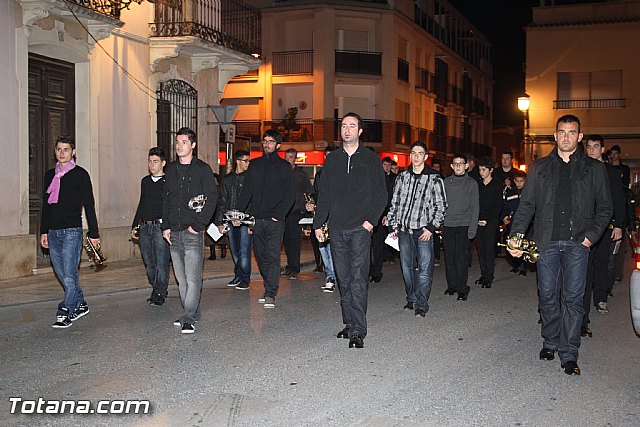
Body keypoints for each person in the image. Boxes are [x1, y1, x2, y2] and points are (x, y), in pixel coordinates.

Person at [507, 115, 612, 376]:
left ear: (580, 136)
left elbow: (606, 208)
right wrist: (515, 236)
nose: (566, 137)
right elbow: (527, 205)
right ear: (555, 136)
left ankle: (569, 353)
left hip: (578, 242)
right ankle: (550, 341)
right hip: (547, 242)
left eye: (571, 132)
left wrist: (591, 236)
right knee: (549, 297)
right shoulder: (539, 167)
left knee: (574, 299)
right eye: (562, 132)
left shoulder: (594, 169)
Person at [314, 112, 387, 349]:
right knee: (343, 279)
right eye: (344, 126)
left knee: (357, 278)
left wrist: (370, 221)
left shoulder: (370, 159)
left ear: (360, 131)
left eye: (352, 126)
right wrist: (318, 223)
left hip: (360, 228)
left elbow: (381, 194)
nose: (347, 130)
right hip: (336, 228)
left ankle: (358, 330)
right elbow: (324, 195)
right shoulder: (332, 160)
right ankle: (349, 322)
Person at [162, 127, 217, 334]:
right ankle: (191, 311)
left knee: (193, 277)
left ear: (193, 145)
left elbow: (212, 198)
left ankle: (188, 316)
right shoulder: (171, 169)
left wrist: (198, 225)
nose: (179, 145)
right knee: (181, 278)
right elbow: (166, 199)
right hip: (173, 232)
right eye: (177, 142)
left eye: (184, 142)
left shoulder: (202, 169)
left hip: (192, 231)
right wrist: (165, 226)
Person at [41, 135, 99, 329]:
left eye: (66, 149)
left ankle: (67, 309)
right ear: (55, 151)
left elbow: (89, 204)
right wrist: (43, 232)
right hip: (53, 232)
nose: (62, 153)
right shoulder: (50, 175)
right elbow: (45, 206)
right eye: (59, 149)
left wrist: (94, 232)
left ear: (73, 152)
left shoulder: (80, 174)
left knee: (69, 274)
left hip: (72, 231)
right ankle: (80, 303)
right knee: (61, 272)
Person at [387, 141, 447, 317]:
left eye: (420, 153)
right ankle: (411, 298)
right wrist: (393, 225)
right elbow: (395, 203)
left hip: (423, 232)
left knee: (425, 269)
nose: (416, 156)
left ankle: (421, 303)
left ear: (425, 157)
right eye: (413, 153)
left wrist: (431, 227)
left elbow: (441, 206)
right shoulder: (402, 177)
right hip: (404, 231)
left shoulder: (434, 178)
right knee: (406, 269)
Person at [237, 129, 294, 309]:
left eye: (270, 141)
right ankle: (268, 283)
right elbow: (246, 191)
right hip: (257, 219)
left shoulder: (285, 167)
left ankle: (270, 291)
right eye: (264, 141)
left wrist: (279, 215)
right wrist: (238, 213)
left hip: (275, 220)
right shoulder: (255, 165)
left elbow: (290, 195)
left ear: (277, 145)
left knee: (273, 255)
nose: (266, 144)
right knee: (260, 256)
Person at [581, 135, 625, 337]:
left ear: (602, 149)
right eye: (588, 147)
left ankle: (600, 298)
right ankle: (582, 311)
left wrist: (619, 224)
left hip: (606, 226)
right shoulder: (581, 169)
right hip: (585, 227)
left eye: (595, 147)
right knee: (584, 266)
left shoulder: (610, 172)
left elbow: (618, 199)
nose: (591, 150)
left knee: (602, 262)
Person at [132, 147, 170, 306]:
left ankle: (159, 292)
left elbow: (170, 205)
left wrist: (168, 226)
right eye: (149, 161)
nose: (151, 165)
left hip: (160, 226)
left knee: (162, 262)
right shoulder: (145, 181)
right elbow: (142, 202)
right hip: (145, 227)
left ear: (163, 163)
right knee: (149, 263)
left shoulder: (168, 182)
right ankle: (158, 287)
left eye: (155, 161)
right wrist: (135, 225)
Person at [443, 154, 479, 301]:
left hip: (464, 224)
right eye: (455, 164)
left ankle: (462, 288)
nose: (458, 166)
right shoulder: (446, 182)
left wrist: (472, 228)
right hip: (448, 224)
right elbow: (441, 203)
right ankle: (451, 285)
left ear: (466, 166)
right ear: (451, 166)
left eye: (461, 163)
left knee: (461, 258)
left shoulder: (471, 183)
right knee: (449, 256)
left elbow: (475, 207)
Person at [216, 149, 252, 291]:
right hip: (230, 220)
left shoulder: (250, 178)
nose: (248, 163)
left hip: (245, 221)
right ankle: (238, 275)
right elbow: (222, 201)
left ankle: (245, 278)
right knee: (235, 250)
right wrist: (220, 221)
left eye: (249, 161)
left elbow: (252, 201)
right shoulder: (227, 179)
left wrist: (249, 221)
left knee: (244, 250)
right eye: (246, 161)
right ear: (238, 161)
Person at [305, 144, 339, 292]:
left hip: (338, 216)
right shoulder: (320, 175)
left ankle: (337, 275)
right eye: (327, 155)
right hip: (323, 216)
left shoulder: (343, 174)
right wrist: (310, 205)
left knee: (335, 249)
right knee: (323, 247)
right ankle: (330, 276)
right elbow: (315, 195)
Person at [281, 148, 313, 280]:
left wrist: (307, 206)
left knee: (294, 240)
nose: (289, 159)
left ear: (295, 158)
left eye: (291, 157)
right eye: (287, 157)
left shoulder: (301, 174)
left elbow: (309, 192)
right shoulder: (281, 172)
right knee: (286, 240)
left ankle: (294, 267)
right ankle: (290, 266)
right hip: (283, 211)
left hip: (296, 210)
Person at [475, 157, 503, 289]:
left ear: (491, 170)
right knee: (480, 249)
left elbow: (498, 205)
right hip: (478, 220)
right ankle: (483, 274)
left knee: (489, 249)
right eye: (480, 169)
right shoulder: (478, 185)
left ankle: (489, 276)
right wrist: (477, 218)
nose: (481, 172)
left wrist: (488, 219)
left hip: (491, 221)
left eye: (484, 170)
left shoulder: (497, 185)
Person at [369, 156, 396, 282]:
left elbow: (389, 197)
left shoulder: (390, 179)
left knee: (378, 245)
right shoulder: (372, 177)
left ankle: (377, 271)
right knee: (366, 245)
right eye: (384, 164)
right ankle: (369, 269)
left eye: (388, 165)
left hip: (381, 215)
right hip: (369, 215)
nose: (386, 167)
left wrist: (387, 213)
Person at [501, 170, 528, 275]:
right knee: (513, 244)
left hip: (526, 224)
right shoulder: (510, 192)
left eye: (522, 181)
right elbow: (505, 206)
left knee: (524, 245)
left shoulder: (528, 192)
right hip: (513, 223)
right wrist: (504, 217)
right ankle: (515, 265)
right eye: (517, 181)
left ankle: (523, 267)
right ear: (514, 181)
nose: (519, 183)